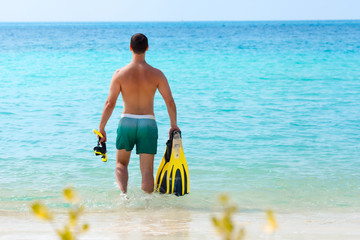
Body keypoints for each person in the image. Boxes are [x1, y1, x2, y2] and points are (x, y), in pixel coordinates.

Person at [98, 33, 180, 194]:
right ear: (147, 48)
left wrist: (101, 127)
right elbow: (170, 102)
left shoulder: (119, 73)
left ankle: (123, 195)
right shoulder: (157, 74)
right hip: (148, 123)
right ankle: (147, 206)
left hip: (127, 122)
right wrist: (173, 125)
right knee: (147, 171)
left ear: (130, 48)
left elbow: (110, 104)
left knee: (121, 164)